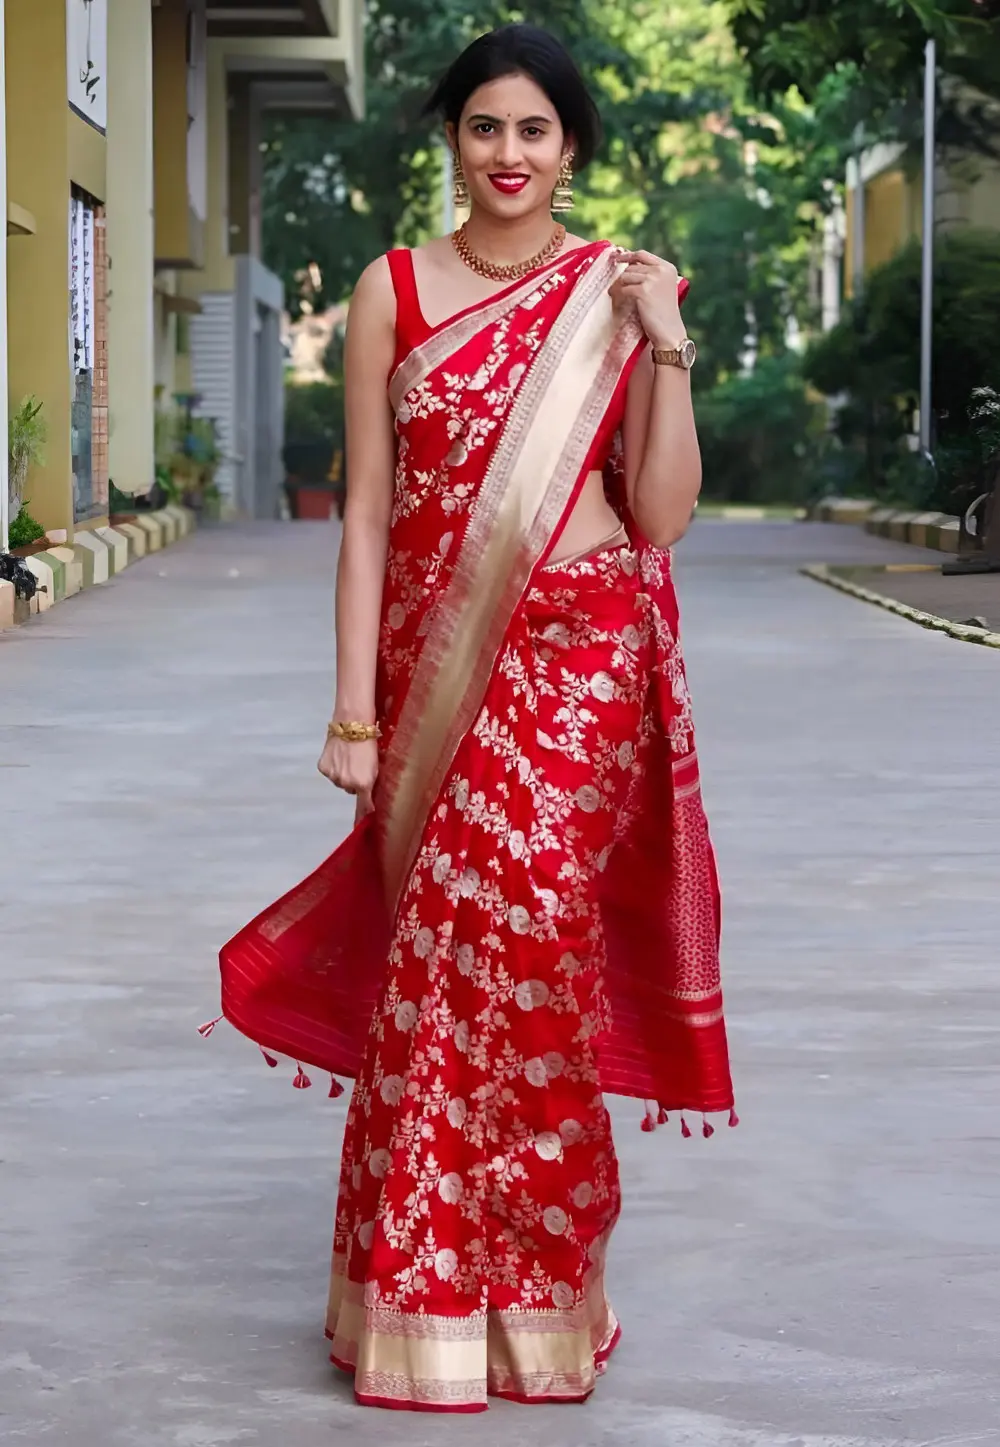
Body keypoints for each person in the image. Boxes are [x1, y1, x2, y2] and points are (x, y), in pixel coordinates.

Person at [218, 22, 734, 1414]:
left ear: (573, 149)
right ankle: (429, 1295)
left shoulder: (618, 291)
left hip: (581, 669)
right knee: (439, 966)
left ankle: (546, 1288)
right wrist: (349, 711)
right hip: (435, 682)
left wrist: (667, 347)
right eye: (486, 127)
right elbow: (370, 512)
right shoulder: (394, 288)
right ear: (450, 137)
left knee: (533, 955)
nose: (510, 154)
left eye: (537, 131)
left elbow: (664, 514)